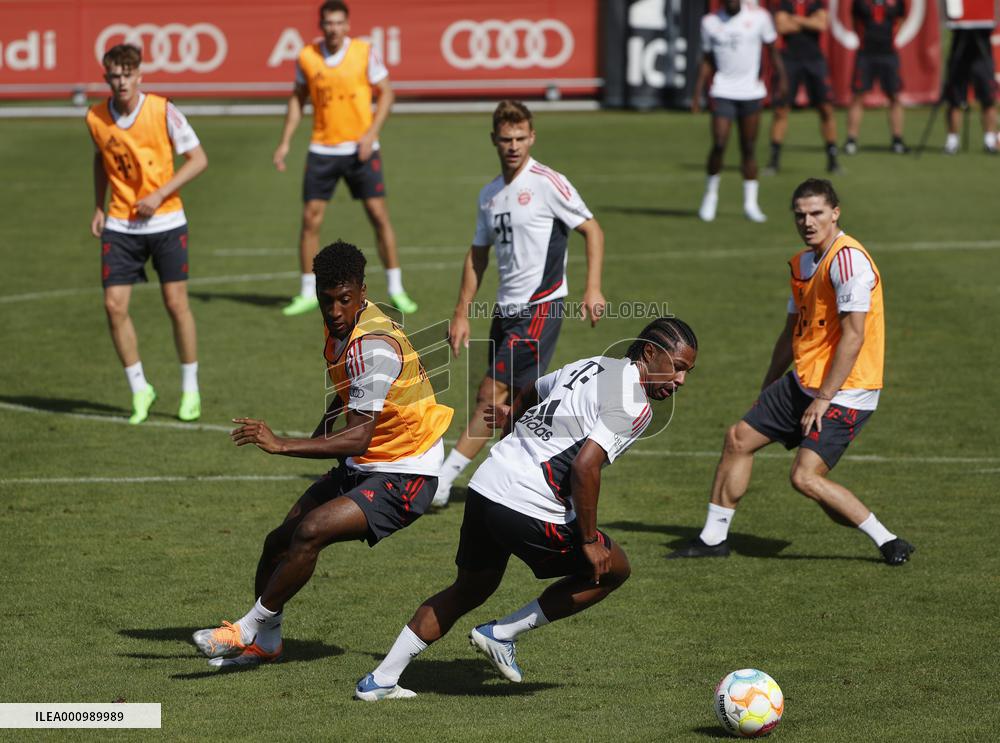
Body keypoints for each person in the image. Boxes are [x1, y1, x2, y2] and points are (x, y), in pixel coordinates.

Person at [354, 318, 699, 700]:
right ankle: (502, 633)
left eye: (687, 372)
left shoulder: (591, 364)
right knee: (612, 567)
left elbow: (535, 388)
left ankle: (381, 679)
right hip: (529, 504)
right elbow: (585, 467)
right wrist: (587, 540)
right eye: (678, 367)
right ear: (650, 353)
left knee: (471, 587)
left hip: (486, 486)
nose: (681, 381)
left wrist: (512, 421)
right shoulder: (636, 405)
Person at [192, 240, 453, 668]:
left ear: (363, 293)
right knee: (279, 541)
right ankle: (268, 642)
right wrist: (328, 417)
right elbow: (353, 390)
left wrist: (282, 444)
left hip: (407, 471)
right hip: (370, 461)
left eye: (344, 300)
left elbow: (358, 437)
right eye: (326, 300)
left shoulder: (374, 345)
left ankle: (245, 629)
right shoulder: (341, 328)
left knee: (311, 531)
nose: (334, 310)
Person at [668, 179, 914, 566]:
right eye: (800, 215)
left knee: (804, 477)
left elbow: (853, 338)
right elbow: (790, 333)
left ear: (835, 212)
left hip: (846, 390)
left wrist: (823, 398)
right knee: (738, 438)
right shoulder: (803, 263)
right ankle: (713, 538)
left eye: (816, 213)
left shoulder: (849, 261)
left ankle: (888, 540)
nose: (808, 221)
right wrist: (768, 386)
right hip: (805, 379)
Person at [431, 100, 606, 508]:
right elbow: (478, 254)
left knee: (491, 393)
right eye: (505, 139)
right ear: (494, 139)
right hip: (505, 311)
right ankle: (529, 479)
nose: (513, 146)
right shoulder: (490, 195)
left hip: (541, 306)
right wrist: (461, 312)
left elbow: (592, 230)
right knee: (519, 402)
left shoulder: (548, 182)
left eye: (520, 138)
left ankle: (442, 481)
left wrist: (592, 287)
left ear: (532, 137)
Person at [86, 43, 207, 424]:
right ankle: (141, 388)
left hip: (166, 221)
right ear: (107, 77)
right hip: (121, 224)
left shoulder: (162, 109)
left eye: (127, 74)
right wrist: (98, 205)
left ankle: (190, 388)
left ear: (140, 75)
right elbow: (101, 158)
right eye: (115, 75)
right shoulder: (95, 117)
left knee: (175, 304)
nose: (121, 82)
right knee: (113, 306)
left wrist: (159, 193)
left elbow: (198, 159)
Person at [273, 0, 417, 317]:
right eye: (328, 23)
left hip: (361, 149)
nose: (333, 28)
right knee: (310, 219)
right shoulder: (307, 57)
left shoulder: (364, 52)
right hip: (323, 148)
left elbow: (387, 93)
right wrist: (285, 142)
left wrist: (369, 135)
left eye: (339, 23)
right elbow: (297, 99)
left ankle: (397, 288)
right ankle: (307, 291)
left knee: (379, 217)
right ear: (321, 25)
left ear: (347, 25)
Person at [694, 0, 786, 223]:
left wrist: (782, 78)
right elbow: (707, 59)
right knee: (719, 143)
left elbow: (773, 50)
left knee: (748, 147)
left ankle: (750, 203)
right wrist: (697, 91)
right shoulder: (710, 22)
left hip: (751, 91)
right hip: (722, 89)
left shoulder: (759, 17)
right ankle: (710, 196)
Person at [765, 0, 841, 174]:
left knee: (826, 109)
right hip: (789, 60)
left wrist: (795, 20)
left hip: (814, 60)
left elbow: (821, 24)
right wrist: (808, 21)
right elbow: (781, 26)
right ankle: (774, 159)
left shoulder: (817, 3)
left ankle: (832, 158)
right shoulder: (784, 3)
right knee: (781, 110)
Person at [844, 0, 910, 155]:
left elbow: (900, 20)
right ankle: (851, 140)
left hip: (889, 53)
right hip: (866, 53)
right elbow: (855, 21)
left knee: (894, 95)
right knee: (859, 95)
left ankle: (897, 140)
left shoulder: (896, 2)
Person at [942, 28, 998, 155]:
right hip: (959, 51)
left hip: (982, 52)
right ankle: (952, 141)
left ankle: (989, 140)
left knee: (988, 98)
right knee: (954, 100)